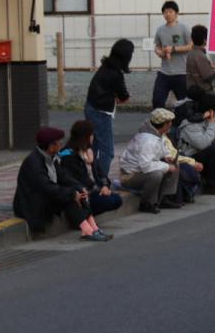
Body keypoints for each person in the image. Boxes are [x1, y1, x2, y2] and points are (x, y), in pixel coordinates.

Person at [13, 127, 109, 241]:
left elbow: (64, 177)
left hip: (47, 197)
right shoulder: (33, 162)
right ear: (51, 145)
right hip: (32, 204)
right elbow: (46, 187)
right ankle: (86, 230)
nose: (61, 145)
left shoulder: (52, 158)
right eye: (59, 142)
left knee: (77, 192)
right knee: (70, 197)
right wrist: (72, 194)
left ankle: (94, 227)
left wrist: (79, 187)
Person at [85, 39, 133, 185]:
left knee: (95, 148)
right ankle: (103, 183)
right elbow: (124, 97)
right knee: (107, 151)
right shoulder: (116, 74)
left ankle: (98, 179)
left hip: (91, 107)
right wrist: (120, 97)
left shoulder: (105, 65)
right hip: (101, 112)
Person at [118, 108, 182, 213]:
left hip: (140, 170)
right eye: (170, 122)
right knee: (156, 174)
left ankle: (163, 198)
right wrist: (167, 166)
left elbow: (159, 150)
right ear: (165, 124)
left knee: (174, 164)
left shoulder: (155, 133)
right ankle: (146, 203)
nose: (171, 124)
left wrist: (167, 157)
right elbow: (146, 166)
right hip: (130, 175)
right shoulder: (148, 140)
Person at [60, 120, 123, 218]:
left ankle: (88, 215)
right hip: (83, 192)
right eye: (91, 134)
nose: (92, 137)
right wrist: (98, 189)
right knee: (110, 200)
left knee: (117, 199)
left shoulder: (89, 151)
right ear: (85, 136)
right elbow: (80, 179)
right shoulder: (68, 154)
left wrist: (105, 186)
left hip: (94, 189)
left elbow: (101, 173)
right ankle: (85, 216)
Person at [178, 93, 215, 195]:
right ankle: (212, 185)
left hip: (204, 152)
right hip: (190, 156)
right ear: (210, 110)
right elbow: (203, 144)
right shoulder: (190, 124)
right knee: (214, 150)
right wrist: (213, 124)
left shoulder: (206, 119)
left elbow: (214, 140)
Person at [152, 1, 192, 108]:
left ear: (176, 13)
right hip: (164, 72)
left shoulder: (184, 28)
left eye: (170, 11)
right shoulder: (160, 29)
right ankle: (159, 123)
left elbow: (190, 46)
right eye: (165, 12)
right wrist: (159, 52)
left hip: (182, 72)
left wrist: (174, 49)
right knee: (157, 100)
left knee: (183, 102)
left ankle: (182, 123)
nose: (168, 14)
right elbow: (157, 46)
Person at [185, 24, 215, 96]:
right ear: (204, 40)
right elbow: (208, 76)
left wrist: (211, 67)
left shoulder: (191, 53)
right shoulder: (200, 55)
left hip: (193, 91)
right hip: (202, 92)